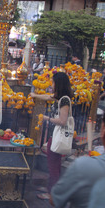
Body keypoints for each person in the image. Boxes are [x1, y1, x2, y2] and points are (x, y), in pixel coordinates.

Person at [30, 72, 73, 200]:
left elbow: (62, 121)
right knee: (53, 162)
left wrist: (46, 118)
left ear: (58, 84)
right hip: (55, 135)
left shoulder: (64, 100)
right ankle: (51, 187)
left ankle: (52, 193)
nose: (51, 84)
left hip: (58, 136)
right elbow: (48, 97)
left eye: (53, 82)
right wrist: (35, 95)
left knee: (53, 164)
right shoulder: (60, 97)